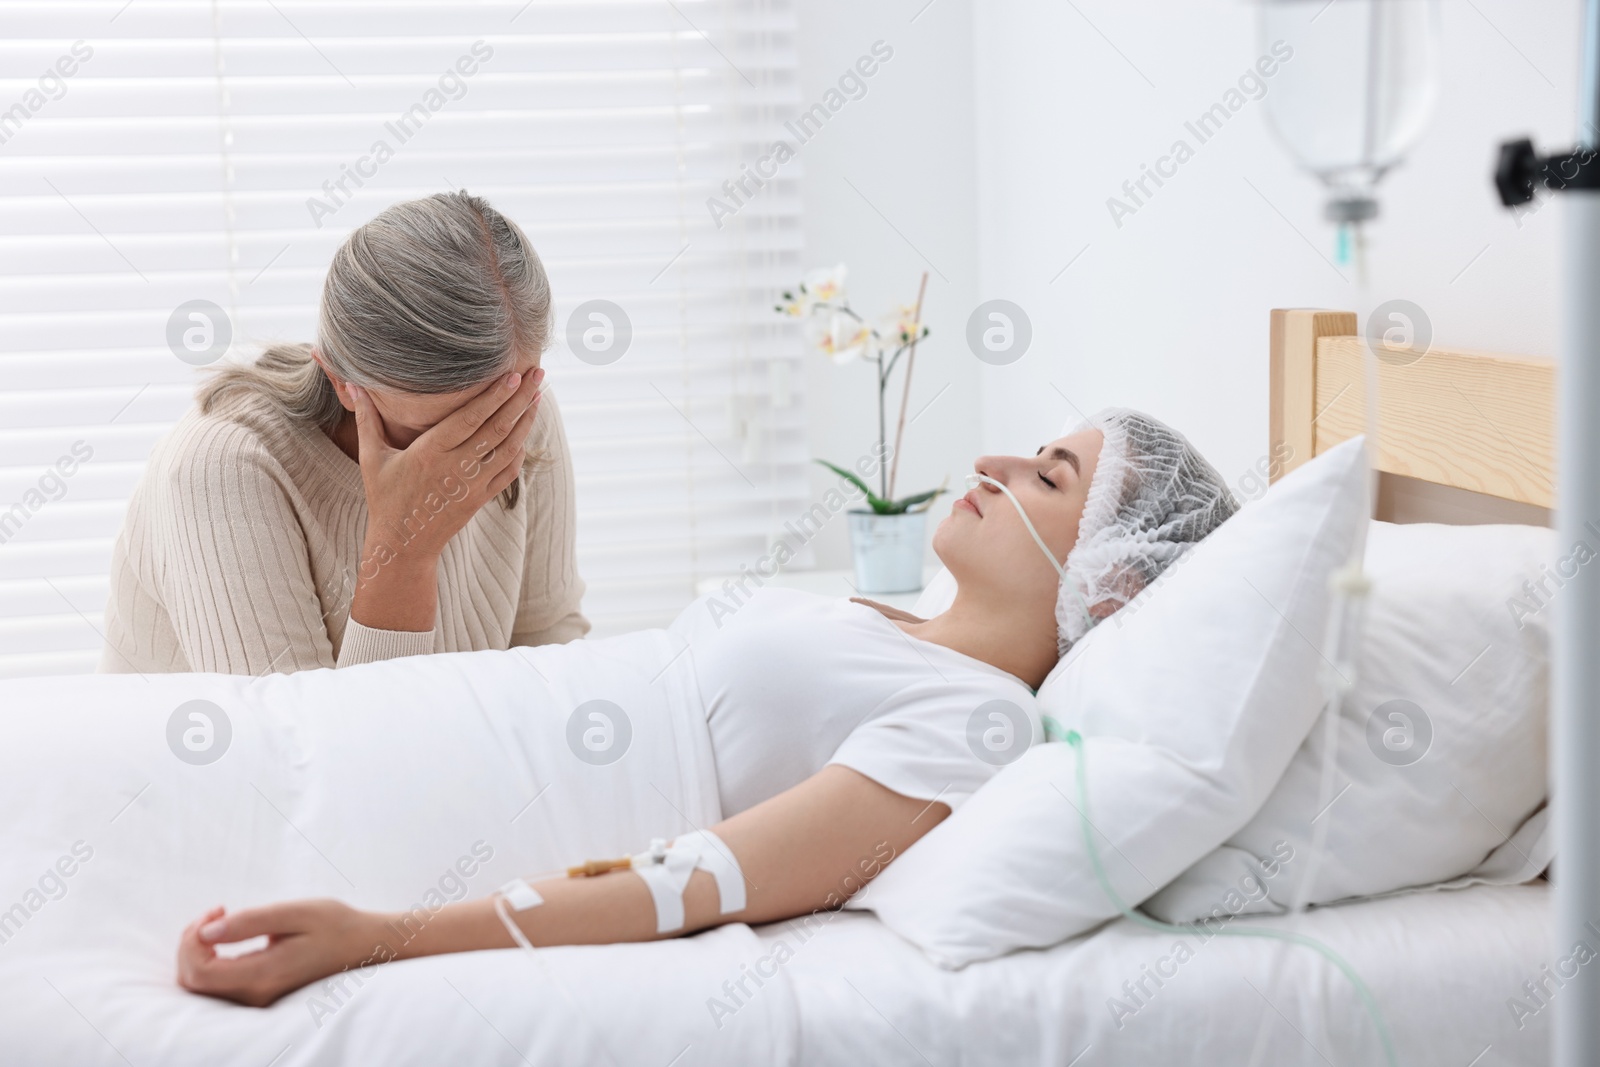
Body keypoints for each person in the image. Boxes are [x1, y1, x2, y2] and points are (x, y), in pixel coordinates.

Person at [174, 409, 1238, 1008]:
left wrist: (384, 935)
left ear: (1111, 582)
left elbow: (698, 881)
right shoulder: (892, 623)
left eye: (1045, 478)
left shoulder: (980, 721)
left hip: (456, 806)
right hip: (399, 719)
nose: (991, 462)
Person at [100, 193, 587, 675]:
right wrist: (402, 551)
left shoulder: (518, 412)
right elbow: (304, 747)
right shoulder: (219, 471)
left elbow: (551, 663)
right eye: (434, 434)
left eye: (504, 408)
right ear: (342, 383)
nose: (478, 446)